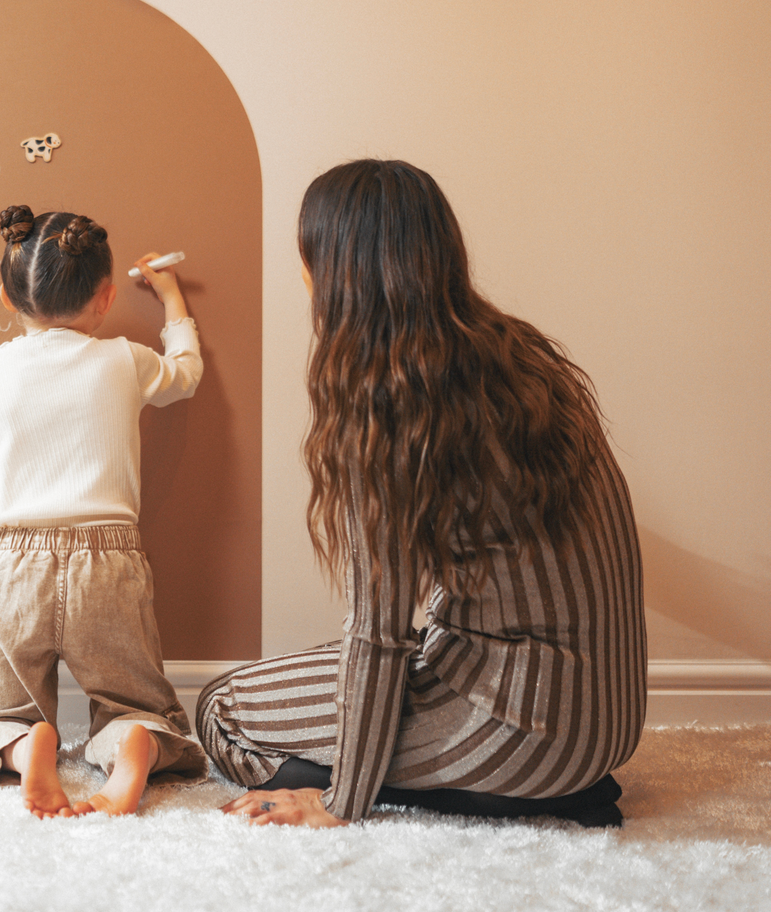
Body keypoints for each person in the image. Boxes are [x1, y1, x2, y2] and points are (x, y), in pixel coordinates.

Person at [200, 159, 646, 829]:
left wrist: (342, 799)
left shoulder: (388, 405)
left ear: (335, 271)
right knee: (340, 676)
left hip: (523, 728)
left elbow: (377, 635)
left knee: (220, 709)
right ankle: (507, 782)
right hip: (607, 721)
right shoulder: (524, 357)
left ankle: (480, 792)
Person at [0, 205, 208, 819]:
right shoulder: (122, 360)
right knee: (137, 704)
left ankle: (26, 741)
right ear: (106, 297)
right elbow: (187, 375)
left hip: (12, 571)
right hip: (107, 562)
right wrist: (170, 297)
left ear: (8, 295)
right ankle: (132, 738)